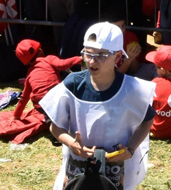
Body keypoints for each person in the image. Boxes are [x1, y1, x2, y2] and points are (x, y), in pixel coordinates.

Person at [41, 22, 156, 189]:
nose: (92, 61)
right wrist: (71, 143)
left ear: (117, 56)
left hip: (117, 166)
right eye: (88, 53)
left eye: (101, 55)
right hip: (78, 165)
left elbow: (147, 120)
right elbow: (54, 125)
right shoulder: (73, 85)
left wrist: (130, 149)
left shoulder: (131, 89)